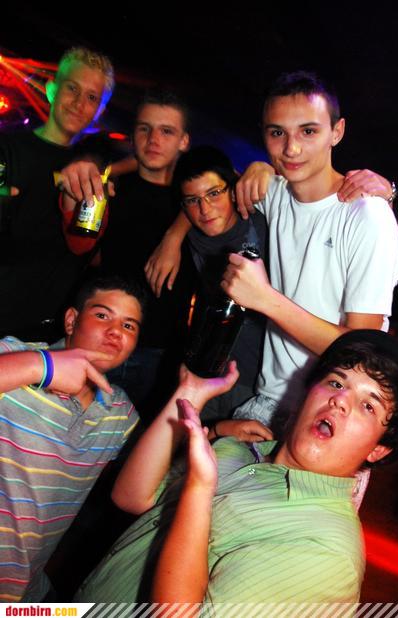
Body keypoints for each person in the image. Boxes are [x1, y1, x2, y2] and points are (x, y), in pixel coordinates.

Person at [74, 329, 398, 605]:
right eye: (337, 383)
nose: (340, 400)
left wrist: (199, 488)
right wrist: (190, 394)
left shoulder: (327, 552)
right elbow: (131, 496)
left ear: (379, 449)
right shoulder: (237, 450)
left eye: (368, 406)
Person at [219, 71, 398, 426]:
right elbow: (205, 193)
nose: (292, 148)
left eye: (308, 131)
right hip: (266, 402)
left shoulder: (368, 216)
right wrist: (254, 168)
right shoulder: (274, 192)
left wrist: (264, 298)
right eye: (277, 133)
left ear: (337, 131)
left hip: (328, 413)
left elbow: (361, 350)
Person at [0, 274, 144, 602]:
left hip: (29, 594)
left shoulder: (119, 411)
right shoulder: (16, 356)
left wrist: (215, 430)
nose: (115, 332)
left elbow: (138, 491)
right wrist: (42, 368)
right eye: (103, 315)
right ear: (71, 320)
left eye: (128, 325)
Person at [60, 90, 195, 420]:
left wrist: (174, 235)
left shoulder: (196, 201)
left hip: (160, 351)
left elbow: (229, 188)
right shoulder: (109, 188)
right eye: (144, 128)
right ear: (133, 134)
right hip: (99, 339)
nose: (153, 140)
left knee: (132, 441)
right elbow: (79, 248)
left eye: (167, 131)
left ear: (184, 141)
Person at [0, 47, 115, 342]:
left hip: (48, 334)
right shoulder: (7, 149)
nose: (79, 103)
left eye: (92, 97)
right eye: (72, 88)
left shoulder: (96, 172)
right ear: (52, 90)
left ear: (100, 111)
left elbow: (84, 249)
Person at [171, 145, 267, 425]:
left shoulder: (264, 223)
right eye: (193, 200)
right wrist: (172, 237)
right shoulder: (191, 236)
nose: (205, 209)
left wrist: (263, 167)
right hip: (206, 371)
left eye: (214, 194)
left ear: (233, 190)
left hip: (257, 382)